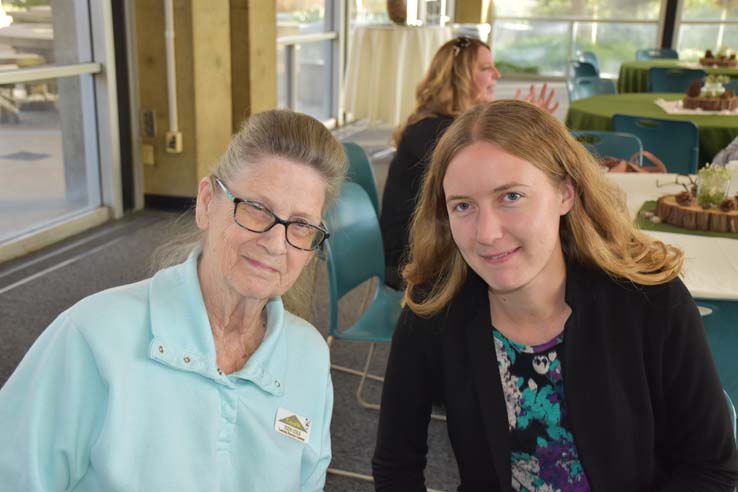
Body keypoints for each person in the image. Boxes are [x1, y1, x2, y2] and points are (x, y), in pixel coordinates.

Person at [372, 100, 738, 491]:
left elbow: (712, 468)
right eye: (463, 206)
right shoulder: (434, 310)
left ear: (565, 193)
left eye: (511, 196)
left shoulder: (651, 301)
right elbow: (397, 466)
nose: (487, 233)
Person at [0, 110, 346, 491]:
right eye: (257, 209)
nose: (275, 243)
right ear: (205, 203)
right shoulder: (91, 338)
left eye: (300, 226)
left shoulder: (308, 356)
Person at [380, 36, 559, 288]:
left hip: (440, 239)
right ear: (459, 77)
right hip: (412, 259)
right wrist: (524, 131)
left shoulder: (450, 127)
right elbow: (494, 175)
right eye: (486, 68)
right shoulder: (433, 132)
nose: (496, 74)